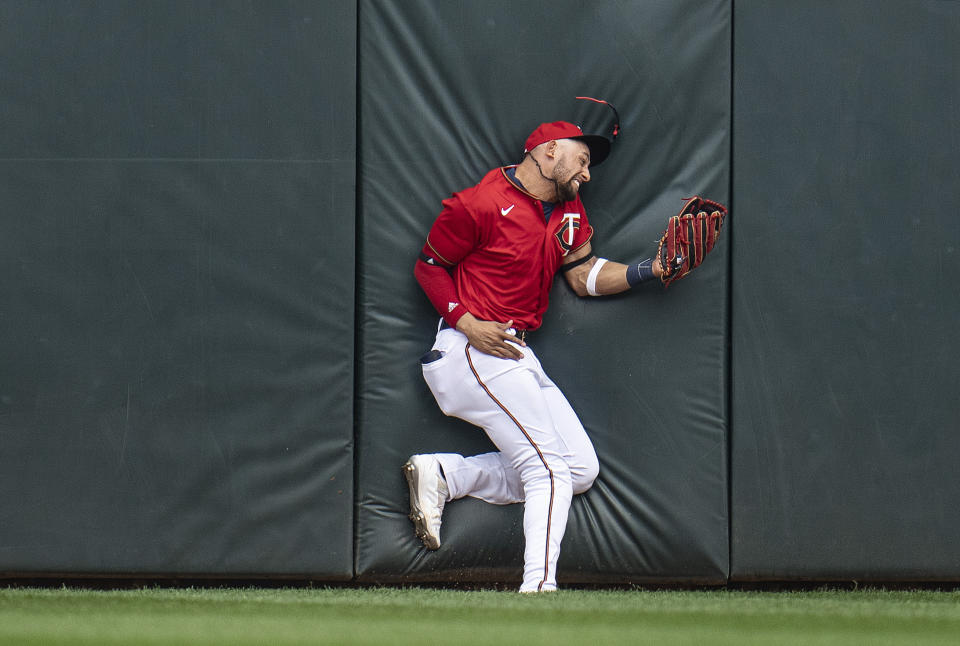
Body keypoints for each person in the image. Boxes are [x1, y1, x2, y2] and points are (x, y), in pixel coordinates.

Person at [405, 119, 663, 593]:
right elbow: (428, 266)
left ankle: (449, 474)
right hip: (470, 347)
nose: (586, 174)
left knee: (578, 469)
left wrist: (651, 270)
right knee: (547, 468)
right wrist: (465, 320)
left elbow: (582, 275)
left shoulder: (569, 212)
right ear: (547, 153)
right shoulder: (479, 203)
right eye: (581, 160)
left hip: (514, 352)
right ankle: (538, 589)